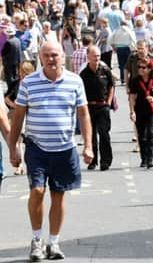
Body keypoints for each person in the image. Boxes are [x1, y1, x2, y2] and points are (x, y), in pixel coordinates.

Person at [9, 41, 92, 261]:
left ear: (63, 56)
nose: (50, 59)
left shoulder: (75, 81)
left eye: (54, 54)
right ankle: (37, 240)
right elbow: (18, 116)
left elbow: (83, 115)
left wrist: (89, 145)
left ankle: (53, 242)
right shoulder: (29, 82)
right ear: (40, 58)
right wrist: (13, 148)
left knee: (58, 196)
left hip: (65, 148)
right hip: (37, 148)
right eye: (46, 55)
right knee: (37, 191)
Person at [80, 46, 115, 171]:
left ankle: (105, 161)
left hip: (103, 106)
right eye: (94, 56)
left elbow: (111, 86)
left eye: (99, 56)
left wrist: (109, 102)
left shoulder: (105, 70)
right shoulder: (84, 74)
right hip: (89, 107)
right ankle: (92, 161)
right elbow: (80, 92)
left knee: (104, 134)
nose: (97, 58)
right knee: (91, 136)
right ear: (88, 57)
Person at [128, 57, 153, 169]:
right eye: (139, 67)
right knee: (141, 136)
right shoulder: (135, 80)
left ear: (149, 69)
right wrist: (132, 111)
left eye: (143, 67)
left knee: (151, 133)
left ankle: (150, 159)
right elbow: (132, 97)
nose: (140, 69)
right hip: (140, 110)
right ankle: (143, 158)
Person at [110, 19, 136, 84]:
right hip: (127, 48)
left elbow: (110, 39)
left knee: (121, 65)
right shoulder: (129, 31)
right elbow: (133, 40)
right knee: (129, 64)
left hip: (119, 48)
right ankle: (129, 78)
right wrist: (134, 48)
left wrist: (113, 46)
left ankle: (123, 79)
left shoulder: (116, 31)